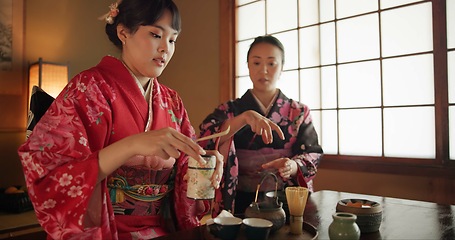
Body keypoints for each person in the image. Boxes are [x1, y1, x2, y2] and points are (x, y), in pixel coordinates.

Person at [17, 0, 223, 239]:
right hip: (106, 231)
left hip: (163, 231)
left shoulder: (172, 101)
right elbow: (50, 173)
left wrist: (202, 165)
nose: (165, 48)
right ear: (123, 32)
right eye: (156, 34)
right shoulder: (88, 88)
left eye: (173, 39)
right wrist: (132, 145)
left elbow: (185, 173)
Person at [199, 35, 323, 215]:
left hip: (284, 196)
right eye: (256, 63)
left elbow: (312, 152)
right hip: (238, 196)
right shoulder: (230, 110)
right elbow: (206, 138)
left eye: (271, 63)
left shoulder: (298, 112)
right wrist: (242, 119)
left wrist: (292, 166)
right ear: (248, 66)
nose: (263, 70)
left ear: (281, 68)